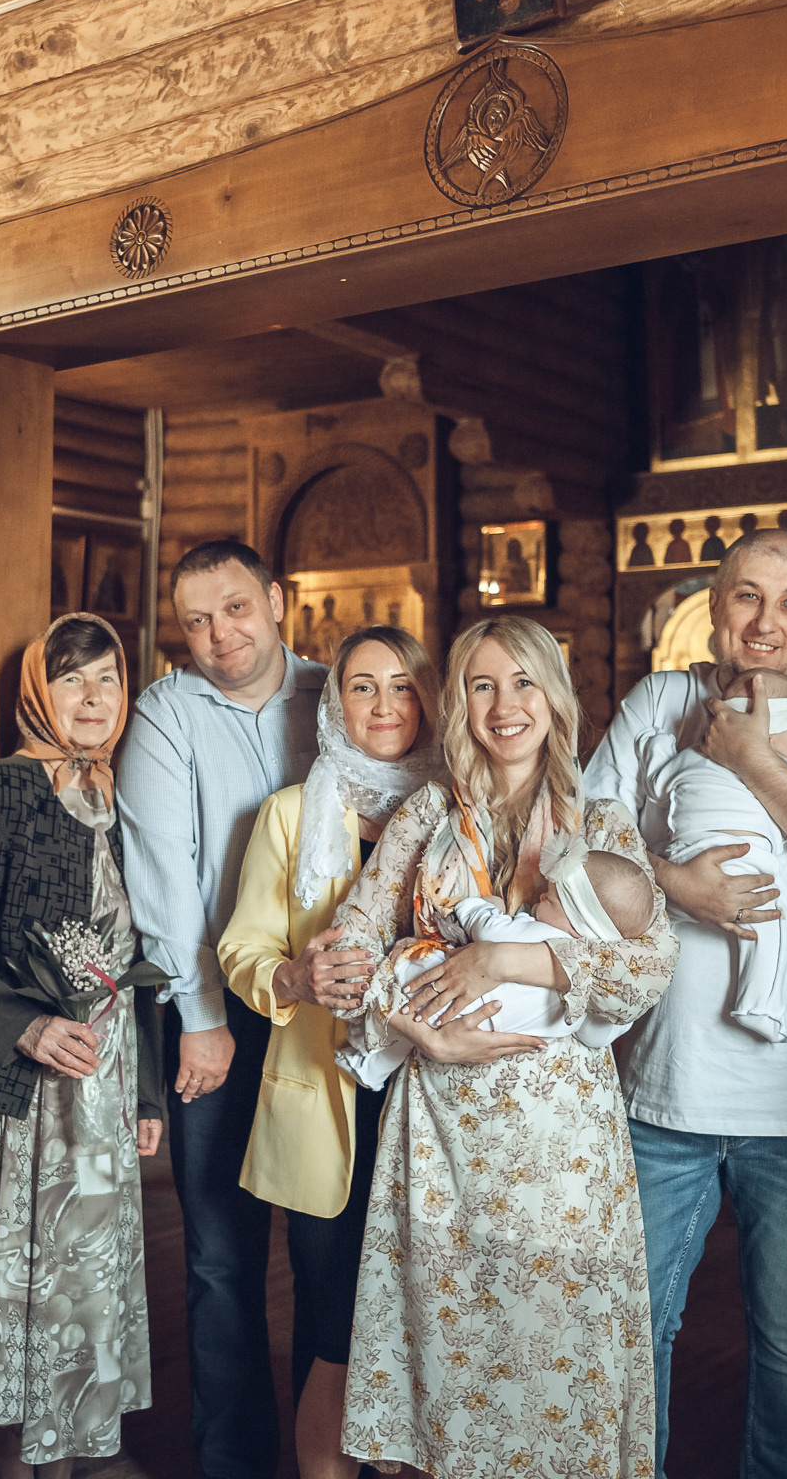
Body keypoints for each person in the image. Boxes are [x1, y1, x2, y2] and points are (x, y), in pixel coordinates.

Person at [582, 527, 787, 1476]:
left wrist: (754, 757)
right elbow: (579, 845)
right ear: (716, 607)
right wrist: (680, 886)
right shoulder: (662, 700)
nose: (766, 621)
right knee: (634, 1328)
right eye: (748, 598)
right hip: (667, 1084)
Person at [331, 614, 680, 1476]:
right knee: (450, 1360)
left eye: (523, 681)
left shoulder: (601, 821)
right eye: (483, 685)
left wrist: (504, 957)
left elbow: (651, 963)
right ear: (459, 704)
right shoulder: (424, 815)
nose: (505, 704)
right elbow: (346, 954)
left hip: (561, 1140)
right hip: (440, 1130)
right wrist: (410, 1026)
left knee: (560, 1360)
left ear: (555, 699)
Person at [0, 613, 165, 1478]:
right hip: (14, 1096)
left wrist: (148, 1095)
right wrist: (26, 1027)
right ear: (37, 694)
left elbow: (135, 964)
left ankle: (80, 1448)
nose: (92, 698)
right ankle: (28, 1459)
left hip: (101, 1094)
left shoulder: (121, 798)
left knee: (83, 1285)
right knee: (24, 1289)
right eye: (71, 680)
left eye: (108, 680)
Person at [214, 624, 446, 1479]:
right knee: (332, 1323)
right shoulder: (288, 814)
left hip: (438, 1108)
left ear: (429, 698)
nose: (383, 706)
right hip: (326, 1101)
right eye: (361, 686)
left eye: (402, 686)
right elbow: (241, 952)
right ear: (335, 702)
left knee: (429, 1325)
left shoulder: (463, 811)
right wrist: (296, 981)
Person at [118, 539, 327, 1478]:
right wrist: (199, 1016)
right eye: (197, 620)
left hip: (334, 1011)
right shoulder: (167, 710)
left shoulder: (339, 692)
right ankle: (234, 1465)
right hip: (218, 1011)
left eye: (236, 608)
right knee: (219, 1256)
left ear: (277, 601)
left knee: (333, 1251)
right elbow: (163, 873)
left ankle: (332, 1456)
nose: (219, 635)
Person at [632, 666, 787, 1043]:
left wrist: (656, 746)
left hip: (683, 853)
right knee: (774, 924)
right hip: (747, 860)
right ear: (768, 734)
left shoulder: (688, 759)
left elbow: (658, 782)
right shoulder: (783, 771)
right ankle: (759, 1005)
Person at [337, 845, 654, 1086]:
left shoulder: (550, 938)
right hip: (482, 1028)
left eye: (552, 900)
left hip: (449, 995)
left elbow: (491, 931)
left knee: (407, 970)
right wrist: (619, 1023)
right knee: (413, 1026)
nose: (541, 895)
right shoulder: (592, 987)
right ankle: (370, 1069)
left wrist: (482, 905)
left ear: (580, 923)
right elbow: (595, 1036)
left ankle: (369, 1056)